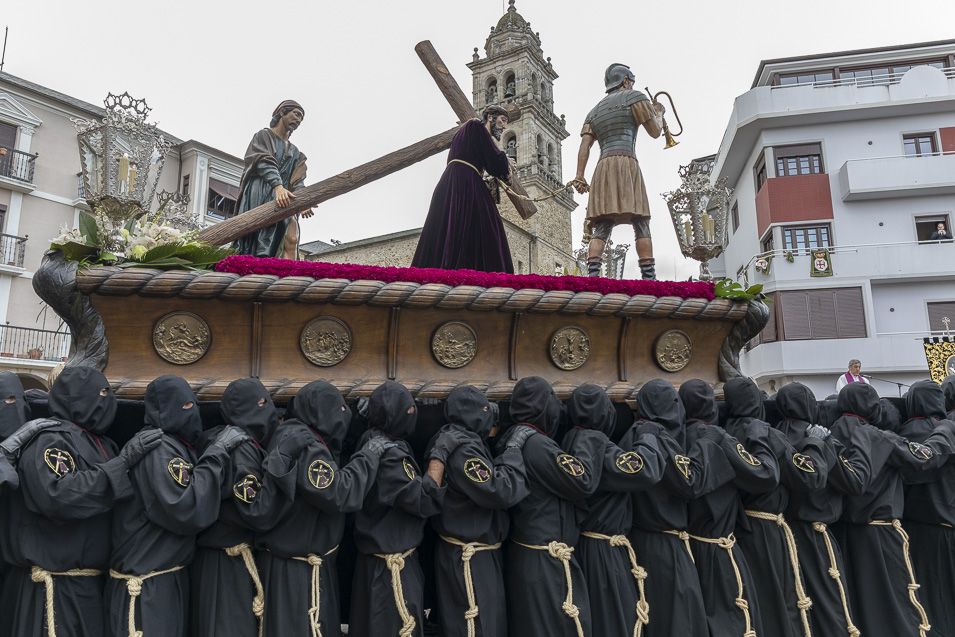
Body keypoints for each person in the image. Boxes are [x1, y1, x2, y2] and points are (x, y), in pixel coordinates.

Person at [0, 367, 161, 637]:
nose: (107, 400)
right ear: (78, 397)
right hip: (52, 589)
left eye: (108, 393)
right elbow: (59, 496)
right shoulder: (50, 439)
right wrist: (121, 464)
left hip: (89, 587)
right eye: (101, 393)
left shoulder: (105, 444)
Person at [107, 375, 245, 637]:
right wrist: (217, 453)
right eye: (184, 406)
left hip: (168, 579)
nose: (192, 412)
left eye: (193, 404)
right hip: (148, 587)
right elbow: (186, 508)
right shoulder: (157, 448)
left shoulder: (178, 447)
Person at [259, 380, 390, 637]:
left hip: (303, 566)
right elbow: (339, 493)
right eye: (337, 408)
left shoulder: (298, 435)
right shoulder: (305, 445)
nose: (342, 415)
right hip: (297, 573)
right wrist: (369, 455)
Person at [833, 382, 955, 637]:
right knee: (900, 604)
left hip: (845, 535)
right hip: (885, 534)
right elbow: (925, 457)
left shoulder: (829, 434)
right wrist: (945, 431)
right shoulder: (879, 436)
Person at [618, 378, 735, 637]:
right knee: (680, 617)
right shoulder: (655, 436)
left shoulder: (633, 435)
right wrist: (707, 441)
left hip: (642, 540)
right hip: (665, 547)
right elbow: (690, 481)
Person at [725, 377, 833, 637]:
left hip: (735, 532)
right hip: (767, 532)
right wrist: (815, 443)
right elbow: (809, 475)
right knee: (783, 602)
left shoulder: (723, 432)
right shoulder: (765, 433)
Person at [497, 376, 604, 637]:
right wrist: (588, 437)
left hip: (533, 556)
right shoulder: (536, 444)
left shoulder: (513, 438)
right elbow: (582, 480)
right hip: (545, 561)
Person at [191, 378, 292, 637]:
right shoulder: (241, 448)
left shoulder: (219, 438)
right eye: (261, 403)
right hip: (225, 564)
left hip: (224, 560)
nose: (269, 410)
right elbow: (257, 511)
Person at [426, 385, 530, 637]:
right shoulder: (463, 449)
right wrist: (513, 451)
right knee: (477, 626)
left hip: (477, 553)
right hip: (469, 558)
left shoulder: (463, 440)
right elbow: (501, 491)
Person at [563, 384, 666, 637]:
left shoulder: (570, 438)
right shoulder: (594, 441)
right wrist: (647, 436)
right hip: (603, 552)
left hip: (586, 545)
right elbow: (643, 470)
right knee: (616, 617)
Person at [680, 379, 777, 637]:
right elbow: (764, 475)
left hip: (683, 549)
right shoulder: (718, 437)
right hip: (718, 549)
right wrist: (759, 439)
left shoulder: (672, 438)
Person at [348, 381, 446, 637]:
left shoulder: (371, 441)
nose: (412, 414)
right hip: (390, 571)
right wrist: (439, 457)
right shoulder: (390, 456)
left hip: (377, 565)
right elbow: (424, 500)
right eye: (408, 409)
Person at [775, 381, 870, 637]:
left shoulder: (773, 435)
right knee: (831, 604)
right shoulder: (819, 436)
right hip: (816, 534)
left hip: (781, 535)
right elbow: (852, 481)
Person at [572, 63, 665, 280]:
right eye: (631, 80)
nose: (632, 84)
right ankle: (649, 277)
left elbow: (584, 146)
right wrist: (659, 113)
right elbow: (655, 132)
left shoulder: (593, 112)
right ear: (625, 81)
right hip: (626, 163)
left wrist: (580, 175)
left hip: (603, 168)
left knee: (602, 225)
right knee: (641, 221)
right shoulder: (635, 97)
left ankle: (593, 275)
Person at [411, 105, 515, 273]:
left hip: (452, 183)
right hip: (466, 182)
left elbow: (486, 158)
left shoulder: (467, 132)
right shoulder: (475, 126)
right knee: (487, 223)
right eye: (502, 120)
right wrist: (506, 160)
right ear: (490, 117)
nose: (504, 126)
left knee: (447, 225)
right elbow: (496, 163)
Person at [900, 381, 955, 637]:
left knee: (927, 601)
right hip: (948, 525)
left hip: (915, 531)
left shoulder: (900, 434)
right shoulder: (947, 431)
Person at [234, 99, 312, 259]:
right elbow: (263, 161)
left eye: (301, 118)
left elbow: (298, 180)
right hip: (261, 191)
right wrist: (277, 186)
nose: (299, 120)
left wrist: (303, 202)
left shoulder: (296, 153)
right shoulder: (263, 136)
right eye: (296, 114)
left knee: (291, 238)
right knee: (259, 239)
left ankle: (287, 273)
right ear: (282, 112)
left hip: (285, 197)